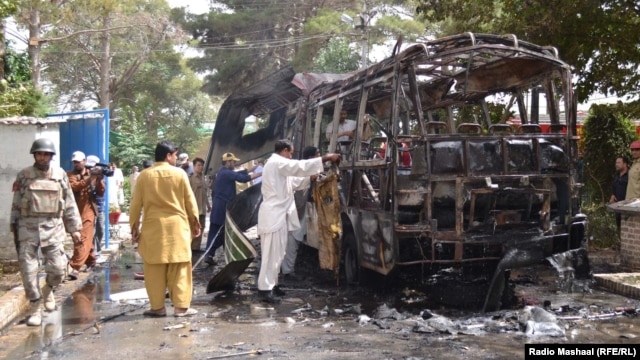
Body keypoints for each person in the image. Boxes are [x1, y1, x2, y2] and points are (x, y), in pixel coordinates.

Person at [256, 139, 340, 303]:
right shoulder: (276, 162)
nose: (291, 156)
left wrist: (310, 179)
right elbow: (299, 167)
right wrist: (326, 158)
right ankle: (265, 290)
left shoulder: (278, 167)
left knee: (279, 254)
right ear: (285, 151)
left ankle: (272, 285)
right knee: (271, 254)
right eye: (291, 153)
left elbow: (293, 182)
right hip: (273, 215)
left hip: (279, 216)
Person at [10, 138, 82, 326]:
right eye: (39, 153)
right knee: (28, 271)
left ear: (51, 156)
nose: (42, 157)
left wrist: (74, 228)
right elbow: (16, 203)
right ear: (35, 155)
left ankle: (49, 288)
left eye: (46, 154)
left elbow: (69, 202)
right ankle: (35, 308)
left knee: (58, 269)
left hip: (53, 228)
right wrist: (14, 227)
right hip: (28, 228)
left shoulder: (60, 175)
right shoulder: (24, 175)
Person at [129, 141, 201, 317]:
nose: (176, 158)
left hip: (153, 229)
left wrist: (134, 228)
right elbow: (190, 202)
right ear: (168, 156)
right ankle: (181, 308)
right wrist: (195, 222)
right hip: (177, 228)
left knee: (154, 270)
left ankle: (158, 308)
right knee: (180, 268)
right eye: (175, 155)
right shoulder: (180, 174)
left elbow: (135, 205)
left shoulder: (144, 176)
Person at [204, 152, 261, 266]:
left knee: (216, 231)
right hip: (222, 208)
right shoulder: (226, 173)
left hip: (219, 206)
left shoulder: (223, 172)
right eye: (233, 162)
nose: (235, 163)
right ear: (228, 162)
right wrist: (263, 173)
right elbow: (243, 178)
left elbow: (241, 173)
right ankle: (214, 253)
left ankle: (210, 254)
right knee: (223, 232)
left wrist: (255, 167)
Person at [281, 146, 322, 282]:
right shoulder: (301, 171)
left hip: (302, 209)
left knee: (293, 240)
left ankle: (286, 269)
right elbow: (298, 193)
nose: (318, 157)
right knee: (292, 240)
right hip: (297, 210)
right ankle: (287, 271)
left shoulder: (308, 170)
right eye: (317, 155)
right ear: (310, 158)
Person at [67, 151, 106, 280]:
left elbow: (100, 192)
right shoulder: (70, 175)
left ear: (84, 161)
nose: (77, 164)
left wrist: (99, 178)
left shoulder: (91, 174)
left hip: (88, 210)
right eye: (75, 162)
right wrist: (90, 179)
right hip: (74, 211)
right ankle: (91, 260)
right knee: (84, 238)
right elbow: (74, 187)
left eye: (79, 161)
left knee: (82, 238)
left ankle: (75, 267)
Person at [189, 157, 211, 254]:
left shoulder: (203, 178)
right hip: (194, 208)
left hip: (202, 208)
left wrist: (208, 205)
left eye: (202, 165)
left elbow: (205, 193)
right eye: (198, 165)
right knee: (193, 228)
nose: (201, 167)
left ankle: (196, 248)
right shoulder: (190, 178)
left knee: (202, 227)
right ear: (194, 166)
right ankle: (190, 248)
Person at [87, 155, 106, 258]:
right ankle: (93, 253)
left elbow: (102, 191)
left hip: (99, 207)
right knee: (90, 231)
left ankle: (97, 250)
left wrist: (99, 178)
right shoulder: (85, 176)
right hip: (88, 208)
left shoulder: (101, 177)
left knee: (100, 229)